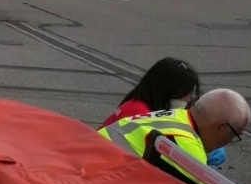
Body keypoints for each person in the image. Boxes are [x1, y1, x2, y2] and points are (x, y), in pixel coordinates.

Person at [97, 88, 250, 184]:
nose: (229, 142)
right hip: (95, 183)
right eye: (234, 135)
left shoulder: (176, 115)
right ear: (220, 127)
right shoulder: (188, 146)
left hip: (91, 160)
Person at [99, 58, 231, 166]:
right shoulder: (138, 111)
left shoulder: (142, 102)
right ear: (167, 91)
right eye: (185, 94)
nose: (189, 99)